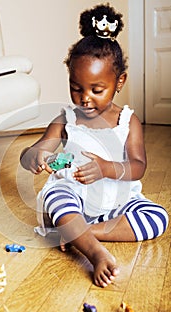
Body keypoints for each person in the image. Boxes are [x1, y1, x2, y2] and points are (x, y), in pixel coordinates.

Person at [20, 4, 169, 288]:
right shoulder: (66, 119)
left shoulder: (128, 121)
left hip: (116, 199)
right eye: (76, 87)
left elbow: (137, 167)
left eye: (96, 90)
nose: (84, 98)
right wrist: (36, 156)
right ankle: (95, 251)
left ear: (119, 82)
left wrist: (105, 168)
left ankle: (83, 232)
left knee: (158, 218)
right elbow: (29, 155)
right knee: (57, 197)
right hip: (75, 198)